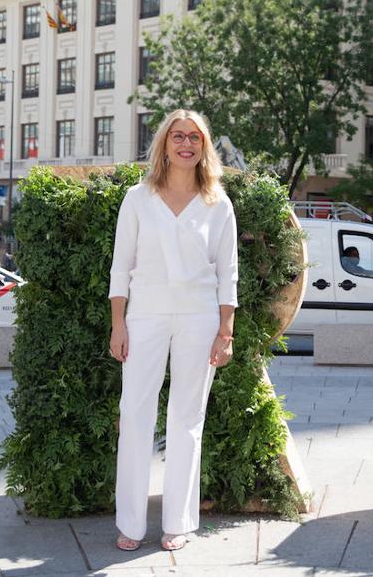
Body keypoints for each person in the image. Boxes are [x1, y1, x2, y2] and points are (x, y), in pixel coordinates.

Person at [108, 109, 239, 553]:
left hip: (200, 319)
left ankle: (178, 522)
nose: (186, 144)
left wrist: (226, 330)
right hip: (144, 317)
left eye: (195, 138)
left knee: (187, 419)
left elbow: (229, 273)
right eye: (178, 136)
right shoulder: (137, 198)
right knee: (135, 414)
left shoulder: (217, 203)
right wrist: (117, 324)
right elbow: (120, 267)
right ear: (164, 144)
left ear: (205, 148)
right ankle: (130, 522)